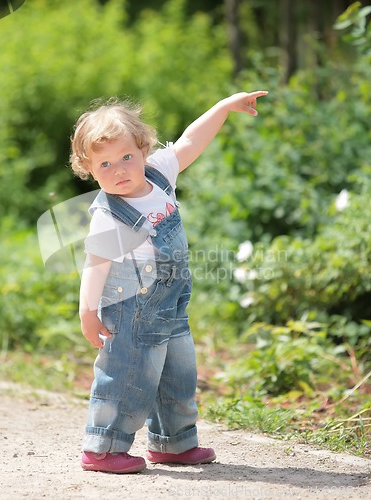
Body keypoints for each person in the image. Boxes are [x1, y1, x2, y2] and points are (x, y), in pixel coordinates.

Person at [70, 91, 268, 474]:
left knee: (178, 373)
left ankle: (172, 442)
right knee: (129, 374)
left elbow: (192, 139)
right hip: (131, 308)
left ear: (143, 151)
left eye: (127, 157)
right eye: (105, 164)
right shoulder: (109, 214)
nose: (119, 170)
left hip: (171, 304)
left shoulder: (160, 174)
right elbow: (96, 265)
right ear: (89, 169)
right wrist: (87, 311)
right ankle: (103, 446)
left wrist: (224, 106)